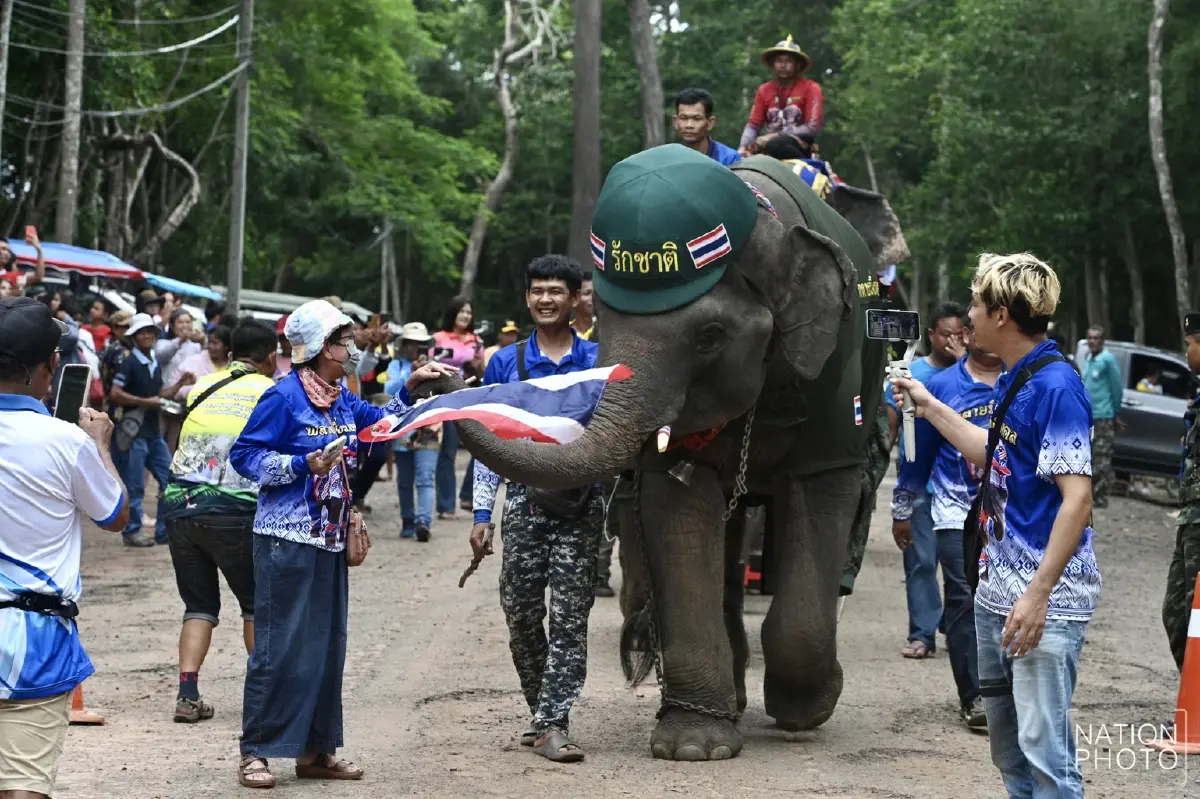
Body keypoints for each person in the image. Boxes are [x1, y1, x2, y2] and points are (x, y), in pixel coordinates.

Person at [893, 252, 1098, 798]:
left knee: (1046, 756)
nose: (969, 316)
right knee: (1009, 751)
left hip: (1041, 603)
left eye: (977, 305)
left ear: (1002, 315)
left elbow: (1078, 499)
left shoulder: (1057, 387)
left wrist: (1038, 595)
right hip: (997, 594)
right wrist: (929, 405)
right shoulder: (1016, 377)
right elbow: (994, 453)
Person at [229, 300, 453, 789]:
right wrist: (299, 465)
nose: (350, 346)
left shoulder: (343, 398)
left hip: (329, 540)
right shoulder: (282, 396)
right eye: (342, 339)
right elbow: (243, 457)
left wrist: (412, 387)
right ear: (318, 347)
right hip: (285, 540)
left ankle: (315, 751)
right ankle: (256, 751)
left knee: (327, 646)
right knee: (279, 645)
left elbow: (381, 425)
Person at [471, 254, 602, 762]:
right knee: (521, 614)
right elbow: (487, 443)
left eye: (556, 291)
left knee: (570, 616)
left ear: (574, 299)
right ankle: (542, 712)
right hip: (524, 502)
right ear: (527, 298)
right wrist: (483, 515)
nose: (546, 299)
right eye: (537, 291)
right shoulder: (504, 363)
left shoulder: (597, 360)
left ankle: (552, 722)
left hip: (581, 501)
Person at [0, 297, 129, 799]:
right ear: (48, 366)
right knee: (23, 785)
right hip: (31, 639)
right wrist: (99, 445)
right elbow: (115, 515)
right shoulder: (65, 442)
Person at [162, 320, 279, 724]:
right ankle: (267, 698)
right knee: (255, 604)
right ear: (271, 357)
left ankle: (187, 694)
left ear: (229, 355)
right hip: (233, 511)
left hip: (180, 505)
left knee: (198, 605)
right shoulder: (273, 392)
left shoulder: (203, 386)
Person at [893, 316, 1002, 729]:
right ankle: (974, 695)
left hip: (1012, 515)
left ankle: (1007, 688)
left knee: (1005, 598)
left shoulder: (1022, 382)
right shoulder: (940, 387)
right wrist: (903, 509)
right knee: (963, 594)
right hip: (955, 510)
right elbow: (917, 457)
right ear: (969, 336)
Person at [886, 302, 966, 659]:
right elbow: (891, 426)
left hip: (962, 485)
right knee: (920, 558)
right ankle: (922, 633)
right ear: (931, 335)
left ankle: (956, 625)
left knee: (961, 564)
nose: (953, 341)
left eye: (961, 334)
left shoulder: (974, 374)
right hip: (920, 481)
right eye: (946, 334)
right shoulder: (911, 373)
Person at [109, 313, 196, 547]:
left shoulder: (153, 362)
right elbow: (115, 393)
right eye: (142, 332)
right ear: (135, 337)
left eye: (150, 332)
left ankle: (162, 531)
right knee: (136, 485)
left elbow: (159, 393)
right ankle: (132, 531)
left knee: (169, 480)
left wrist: (179, 385)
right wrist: (145, 402)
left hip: (152, 432)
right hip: (136, 432)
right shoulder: (130, 362)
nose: (147, 335)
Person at [1164, 312, 1200, 674]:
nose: (1186, 351)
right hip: (1190, 516)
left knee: (1195, 618)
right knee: (1176, 615)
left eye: (1189, 344)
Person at [385, 322, 440, 541]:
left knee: (426, 477)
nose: (415, 348)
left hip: (429, 427)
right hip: (402, 428)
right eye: (411, 343)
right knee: (405, 480)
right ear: (404, 345)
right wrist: (411, 374)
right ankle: (407, 520)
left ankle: (423, 522)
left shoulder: (436, 366)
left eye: (420, 344)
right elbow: (388, 390)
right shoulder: (396, 365)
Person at [432, 296, 484, 519]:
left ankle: (467, 495)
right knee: (448, 451)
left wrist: (477, 366)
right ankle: (446, 506)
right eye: (462, 311)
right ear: (453, 313)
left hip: (470, 397)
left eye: (469, 312)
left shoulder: (476, 341)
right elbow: (429, 365)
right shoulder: (438, 338)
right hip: (446, 398)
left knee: (481, 447)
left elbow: (482, 372)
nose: (465, 316)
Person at [737, 35, 824, 160]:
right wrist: (742, 148)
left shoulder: (811, 88)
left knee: (776, 145)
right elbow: (753, 125)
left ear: (798, 65)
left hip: (799, 146)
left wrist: (774, 136)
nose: (783, 65)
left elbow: (812, 128)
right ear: (773, 64)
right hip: (769, 146)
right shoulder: (764, 90)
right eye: (779, 61)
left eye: (788, 61)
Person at [1081, 325, 1123, 508]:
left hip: (1103, 415)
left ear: (1102, 341)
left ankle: (1100, 496)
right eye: (1090, 338)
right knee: (1087, 456)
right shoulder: (1088, 358)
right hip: (1088, 416)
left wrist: (1115, 413)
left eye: (1096, 338)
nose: (1092, 341)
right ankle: (1088, 495)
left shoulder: (1108, 360)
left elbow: (1116, 388)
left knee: (1101, 458)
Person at [673, 88, 741, 166]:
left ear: (710, 123)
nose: (689, 125)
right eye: (683, 118)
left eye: (697, 118)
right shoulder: (667, 158)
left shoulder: (729, 159)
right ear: (675, 121)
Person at [175, 324, 232, 402]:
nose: (210, 346)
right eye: (209, 342)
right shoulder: (194, 361)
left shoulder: (234, 366)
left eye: (215, 343)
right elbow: (177, 389)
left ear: (226, 346)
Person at [0, 227, 46, 293]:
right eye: (3, 249)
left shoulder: (14, 276)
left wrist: (39, 250)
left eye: (8, 251)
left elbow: (38, 277)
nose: (6, 253)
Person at [573, 271, 595, 340]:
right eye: (587, 293)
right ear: (574, 298)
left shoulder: (606, 330)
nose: (593, 298)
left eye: (596, 293)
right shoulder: (563, 332)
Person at [274, 315, 292, 379]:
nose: (286, 343)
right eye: (282, 338)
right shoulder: (272, 360)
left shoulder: (306, 363)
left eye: (290, 339)